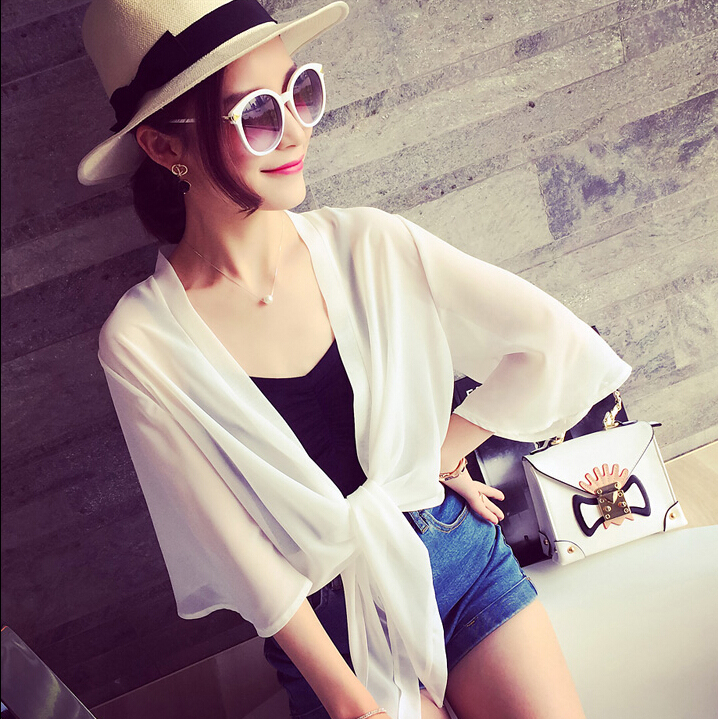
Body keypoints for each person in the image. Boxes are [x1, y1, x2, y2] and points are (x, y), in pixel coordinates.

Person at [79, 1, 632, 718]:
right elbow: (235, 548)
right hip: (329, 632)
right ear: (162, 147)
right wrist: (346, 699)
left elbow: (554, 344)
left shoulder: (367, 243)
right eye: (257, 112)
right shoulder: (141, 340)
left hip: (459, 559)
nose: (296, 129)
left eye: (299, 91)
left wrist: (436, 455)